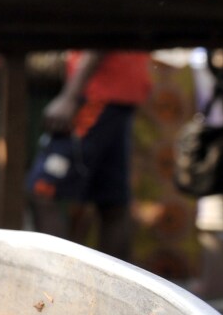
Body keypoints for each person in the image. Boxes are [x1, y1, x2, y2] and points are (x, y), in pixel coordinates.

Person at [26, 50, 153, 261]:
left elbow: (103, 30)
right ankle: (113, 289)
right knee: (112, 202)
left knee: (42, 190)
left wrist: (70, 95)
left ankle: (58, 282)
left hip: (97, 92)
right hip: (120, 91)